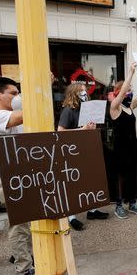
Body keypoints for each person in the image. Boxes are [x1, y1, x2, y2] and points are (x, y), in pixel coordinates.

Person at [0, 77, 34, 275]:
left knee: (25, 223)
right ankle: (23, 268)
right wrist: (39, 89)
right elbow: (25, 115)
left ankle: (19, 255)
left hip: (24, 176)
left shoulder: (16, 115)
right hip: (10, 178)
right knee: (20, 224)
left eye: (18, 93)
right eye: (13, 93)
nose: (17, 97)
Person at [56, 81, 107, 228]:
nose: (84, 94)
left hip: (86, 150)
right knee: (73, 184)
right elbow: (61, 132)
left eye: (85, 91)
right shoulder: (68, 110)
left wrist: (91, 128)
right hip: (71, 152)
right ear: (74, 93)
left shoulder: (87, 110)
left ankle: (92, 209)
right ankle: (71, 217)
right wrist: (83, 129)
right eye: (81, 92)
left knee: (88, 181)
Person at [106, 63, 137, 219]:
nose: (131, 92)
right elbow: (122, 92)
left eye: (132, 90)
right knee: (120, 176)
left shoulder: (130, 106)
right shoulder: (115, 107)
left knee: (133, 175)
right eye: (129, 90)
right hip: (120, 149)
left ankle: (132, 203)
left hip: (133, 147)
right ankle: (119, 206)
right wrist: (131, 72)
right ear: (121, 91)